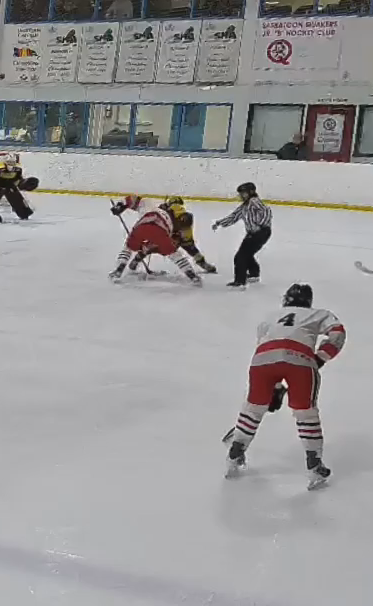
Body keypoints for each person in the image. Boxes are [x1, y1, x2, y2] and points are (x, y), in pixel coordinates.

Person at [223, 283, 345, 487]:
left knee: (253, 409)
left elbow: (266, 344)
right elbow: (338, 333)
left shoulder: (271, 316)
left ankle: (235, 453)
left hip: (262, 361)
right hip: (300, 360)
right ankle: (314, 466)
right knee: (306, 413)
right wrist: (320, 358)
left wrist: (275, 387)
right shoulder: (318, 314)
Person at [109, 195, 204, 285]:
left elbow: (132, 199)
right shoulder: (172, 217)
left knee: (128, 247)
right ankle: (192, 276)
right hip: (162, 231)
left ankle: (119, 269)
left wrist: (120, 206)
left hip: (142, 226)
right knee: (174, 254)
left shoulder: (149, 205)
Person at [212, 181, 272, 288]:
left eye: (243, 193)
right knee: (246, 254)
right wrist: (220, 223)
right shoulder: (245, 205)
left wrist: (261, 225)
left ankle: (240, 281)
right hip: (254, 233)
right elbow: (234, 216)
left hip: (260, 233)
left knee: (240, 257)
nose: (241, 196)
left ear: (251, 192)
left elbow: (266, 211)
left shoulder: (254, 201)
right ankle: (253, 274)